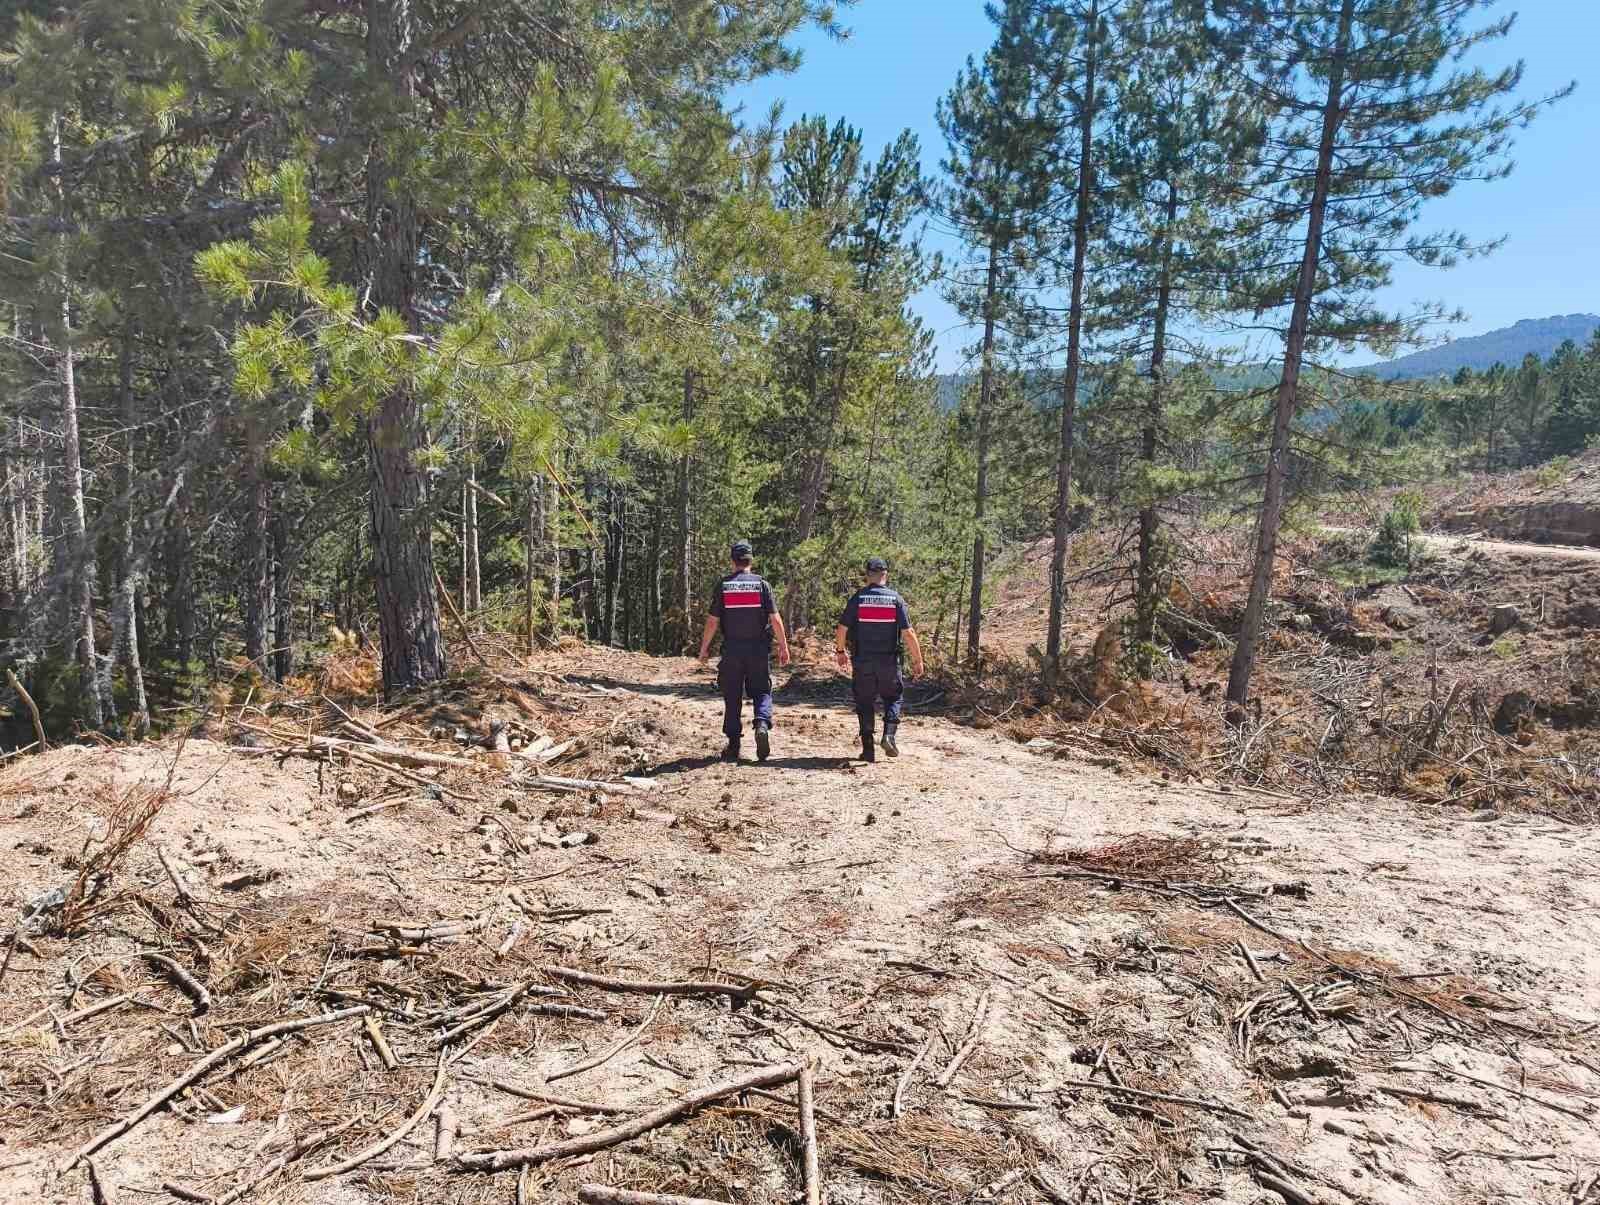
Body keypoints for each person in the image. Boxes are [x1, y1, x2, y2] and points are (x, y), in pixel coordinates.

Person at [698, 540, 791, 762]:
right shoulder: (762, 585)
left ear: (733, 561)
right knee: (761, 690)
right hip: (758, 649)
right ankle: (761, 723)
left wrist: (704, 649)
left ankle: (733, 745)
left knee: (732, 695)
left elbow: (712, 621)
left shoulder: (724, 585)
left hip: (732, 649)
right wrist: (784, 647)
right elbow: (775, 619)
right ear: (750, 560)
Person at [835, 556, 925, 763]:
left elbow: (842, 628)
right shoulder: (895, 599)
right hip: (889, 663)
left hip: (863, 662)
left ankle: (868, 750)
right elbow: (908, 632)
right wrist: (918, 660)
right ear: (885, 574)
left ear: (867, 576)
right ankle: (889, 736)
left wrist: (840, 651)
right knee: (893, 698)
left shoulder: (858, 598)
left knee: (864, 703)